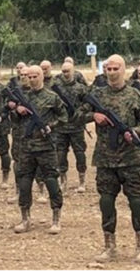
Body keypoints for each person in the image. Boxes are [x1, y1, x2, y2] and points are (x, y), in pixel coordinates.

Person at [78, 54, 140, 263]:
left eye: (115, 69)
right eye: (108, 69)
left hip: (131, 158)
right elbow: (77, 116)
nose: (111, 73)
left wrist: (135, 131)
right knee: (106, 201)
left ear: (124, 70)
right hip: (105, 158)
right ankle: (109, 246)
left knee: (136, 200)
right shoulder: (97, 94)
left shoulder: (135, 95)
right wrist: (93, 116)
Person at [9, 66, 67, 234]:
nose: (32, 79)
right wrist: (16, 110)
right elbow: (14, 121)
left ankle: (56, 218)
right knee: (24, 182)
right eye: (29, 76)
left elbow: (63, 117)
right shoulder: (23, 97)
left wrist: (51, 126)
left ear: (42, 77)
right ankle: (25, 218)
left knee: (51, 181)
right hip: (26, 146)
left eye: (35, 76)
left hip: (46, 147)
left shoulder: (52, 97)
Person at [52, 62, 89, 193]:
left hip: (76, 127)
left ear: (73, 71)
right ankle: (63, 181)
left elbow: (89, 103)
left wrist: (80, 112)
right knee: (60, 154)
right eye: (63, 71)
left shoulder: (81, 88)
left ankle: (82, 181)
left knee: (79, 153)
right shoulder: (56, 88)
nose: (65, 74)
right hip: (61, 127)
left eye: (67, 71)